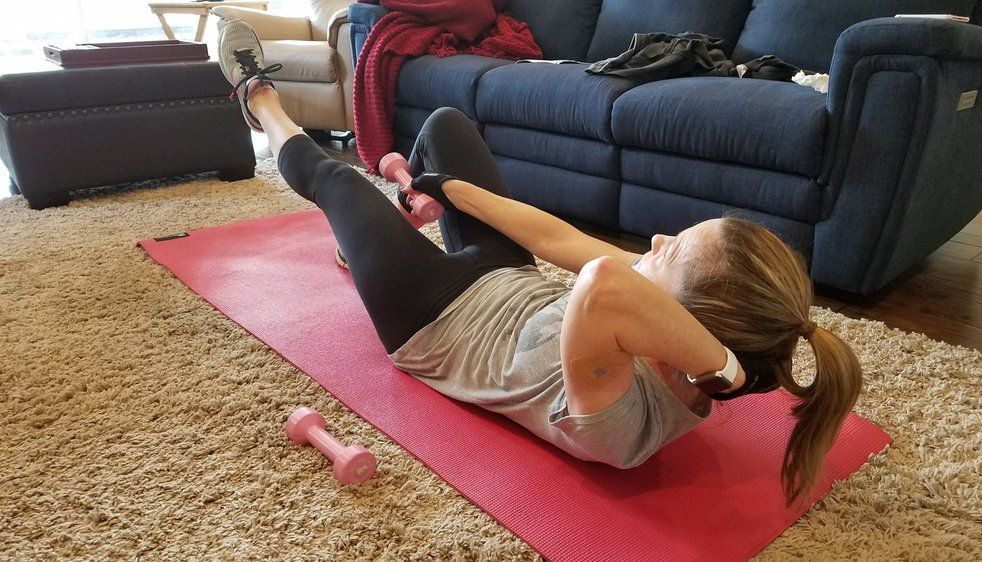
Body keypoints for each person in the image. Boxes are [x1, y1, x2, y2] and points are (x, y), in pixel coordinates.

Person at [217, 21, 862, 504]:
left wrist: (725, 369)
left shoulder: (621, 424)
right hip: (506, 280)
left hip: (433, 320)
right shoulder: (661, 315)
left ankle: (259, 98)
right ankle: (395, 223)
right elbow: (558, 239)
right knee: (445, 124)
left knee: (339, 180)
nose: (658, 239)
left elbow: (601, 281)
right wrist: (449, 191)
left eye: (674, 249)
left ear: (687, 320)